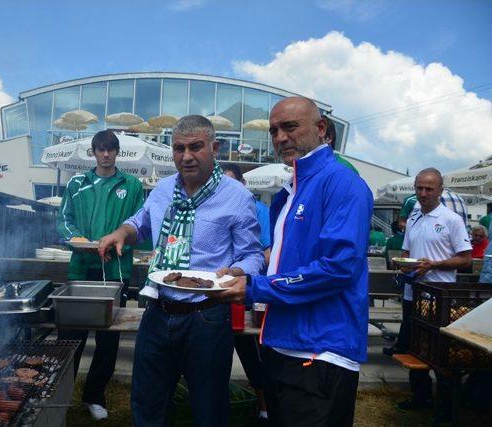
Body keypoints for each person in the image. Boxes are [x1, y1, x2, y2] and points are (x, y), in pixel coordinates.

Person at [99, 115, 264, 426]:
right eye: (178, 148)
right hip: (158, 312)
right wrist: (121, 233)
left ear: (215, 148)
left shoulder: (237, 196)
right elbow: (140, 223)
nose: (186, 156)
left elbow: (253, 254)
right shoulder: (162, 190)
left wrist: (237, 271)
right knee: (148, 405)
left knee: (209, 408)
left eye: (196, 147)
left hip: (208, 316)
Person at [218, 97, 373, 426]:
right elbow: (284, 254)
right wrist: (246, 270)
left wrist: (256, 287)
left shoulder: (343, 183)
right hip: (282, 345)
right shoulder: (288, 193)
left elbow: (339, 267)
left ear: (321, 129)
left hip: (320, 352)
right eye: (274, 131)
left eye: (290, 127)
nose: (280, 137)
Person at [56, 130, 144, 420]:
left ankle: (94, 396)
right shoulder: (77, 183)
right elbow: (64, 220)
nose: (106, 154)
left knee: (108, 340)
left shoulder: (131, 185)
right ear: (93, 153)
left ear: (117, 153)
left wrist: (120, 240)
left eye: (110, 150)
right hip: (81, 267)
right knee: (71, 336)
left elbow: (139, 225)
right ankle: (59, 394)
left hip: (116, 270)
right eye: (100, 150)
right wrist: (79, 239)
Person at [391, 168, 472, 422]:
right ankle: (421, 398)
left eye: (429, 189)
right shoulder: (413, 215)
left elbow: (466, 259)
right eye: (419, 188)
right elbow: (407, 251)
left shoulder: (451, 220)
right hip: (411, 293)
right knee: (414, 348)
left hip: (439, 296)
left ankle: (444, 409)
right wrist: (402, 262)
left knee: (439, 352)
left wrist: (433, 265)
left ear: (440, 190)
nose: (423, 193)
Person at [222, 163, 269, 422]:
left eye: (232, 182)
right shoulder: (216, 205)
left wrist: (240, 271)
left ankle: (263, 407)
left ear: (243, 183)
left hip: (246, 294)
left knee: (250, 353)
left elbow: (268, 252)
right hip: (217, 295)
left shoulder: (259, 209)